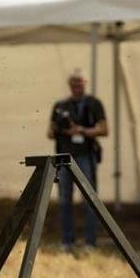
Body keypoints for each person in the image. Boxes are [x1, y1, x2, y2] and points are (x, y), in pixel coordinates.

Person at [47, 69, 107, 250]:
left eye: (79, 83)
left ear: (85, 83)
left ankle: (90, 242)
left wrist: (82, 130)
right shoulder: (60, 105)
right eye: (74, 84)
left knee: (89, 198)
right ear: (69, 85)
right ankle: (67, 241)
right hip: (65, 157)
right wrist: (64, 130)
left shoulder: (93, 104)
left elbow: (104, 129)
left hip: (85, 155)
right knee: (65, 199)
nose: (76, 87)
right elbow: (50, 132)